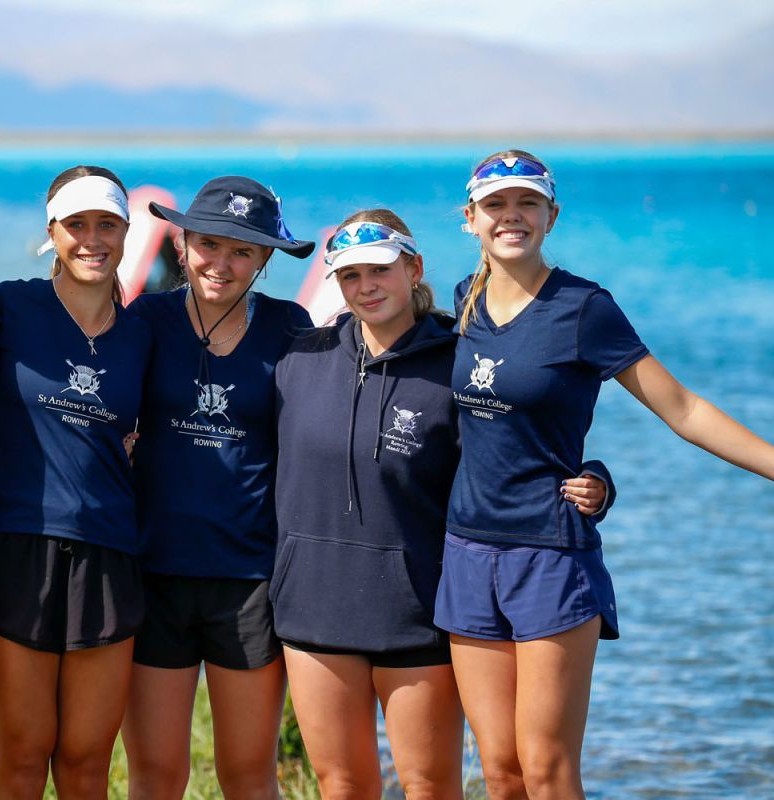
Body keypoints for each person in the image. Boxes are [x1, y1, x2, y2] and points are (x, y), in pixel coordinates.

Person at [436, 150, 774, 800]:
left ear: (551, 216)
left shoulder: (585, 308)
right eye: (497, 205)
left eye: (527, 203)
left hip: (550, 555)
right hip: (467, 554)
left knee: (547, 770)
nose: (513, 216)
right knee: (500, 773)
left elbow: (682, 407)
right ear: (470, 219)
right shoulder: (464, 300)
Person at [273, 208, 613, 799]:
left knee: (430, 785)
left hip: (418, 608)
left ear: (414, 268)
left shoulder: (459, 360)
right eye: (349, 276)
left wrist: (595, 480)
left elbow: (520, 441)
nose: (366, 286)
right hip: (314, 604)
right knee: (341, 784)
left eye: (380, 270)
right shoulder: (299, 358)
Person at [122, 176, 314, 799]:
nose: (222, 264)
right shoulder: (147, 319)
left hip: (250, 579)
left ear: (264, 259)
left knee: (248, 775)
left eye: (242, 251)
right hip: (155, 572)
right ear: (180, 243)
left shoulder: (290, 327)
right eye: (209, 243)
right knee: (155, 773)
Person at [0, 165, 152, 799]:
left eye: (107, 224)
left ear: (127, 232)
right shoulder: (10, 306)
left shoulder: (145, 332)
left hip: (109, 549)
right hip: (19, 544)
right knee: (23, 758)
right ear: (51, 231)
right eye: (76, 225)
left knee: (84, 765)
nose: (92, 239)